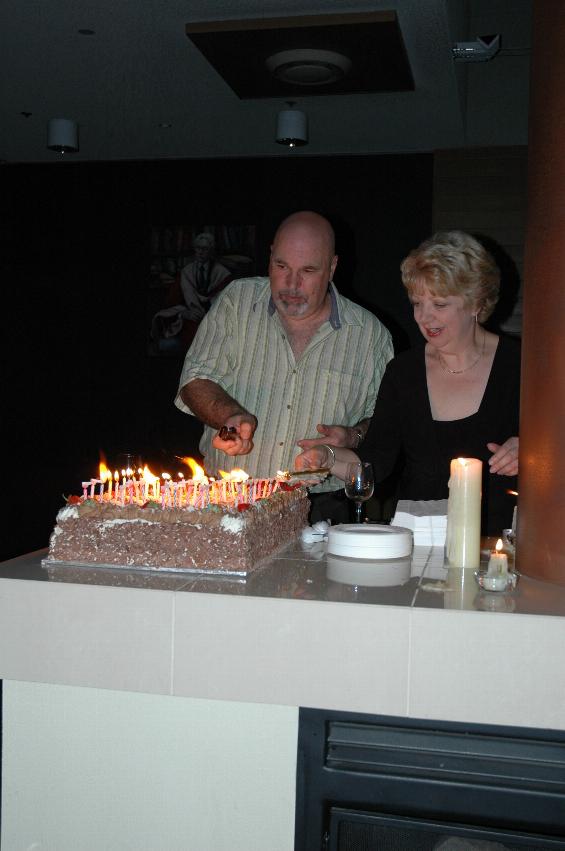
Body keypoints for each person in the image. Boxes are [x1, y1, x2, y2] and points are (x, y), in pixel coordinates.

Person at [295, 231, 520, 534]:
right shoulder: (404, 372)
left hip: (498, 544)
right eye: (417, 303)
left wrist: (533, 451)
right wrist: (327, 457)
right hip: (421, 541)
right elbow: (375, 463)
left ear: (476, 303)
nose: (424, 318)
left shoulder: (522, 365)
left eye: (439, 304)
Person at [175, 210, 394, 522]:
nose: (291, 284)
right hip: (227, 501)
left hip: (319, 509)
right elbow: (195, 380)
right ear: (270, 257)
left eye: (308, 270)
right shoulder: (237, 303)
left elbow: (386, 426)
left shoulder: (370, 336)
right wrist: (229, 416)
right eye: (281, 266)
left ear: (332, 267)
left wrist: (355, 435)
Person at [180, 232, 232, 321]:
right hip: (192, 315)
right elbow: (176, 301)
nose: (200, 252)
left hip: (214, 315)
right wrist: (186, 313)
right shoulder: (186, 271)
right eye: (198, 248)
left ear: (211, 251)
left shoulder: (222, 272)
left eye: (205, 249)